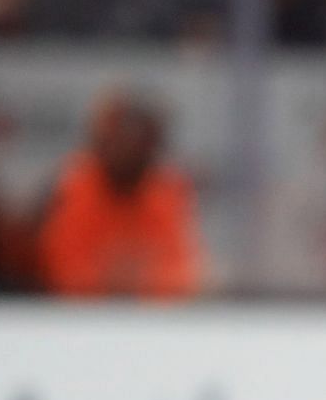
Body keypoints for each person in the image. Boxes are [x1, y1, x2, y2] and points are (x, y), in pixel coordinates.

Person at [36, 89, 202, 298]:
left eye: (142, 145)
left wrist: (139, 284)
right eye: (121, 140)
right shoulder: (75, 183)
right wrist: (116, 280)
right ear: (101, 142)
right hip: (74, 320)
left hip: (146, 321)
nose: (130, 152)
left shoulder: (165, 189)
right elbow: (63, 272)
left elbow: (181, 273)